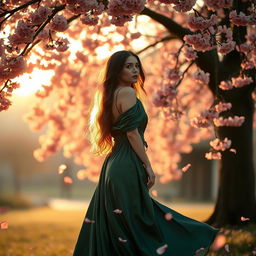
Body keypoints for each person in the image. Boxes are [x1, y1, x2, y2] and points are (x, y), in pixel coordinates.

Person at [72, 50, 220, 256]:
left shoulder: (110, 93)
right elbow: (132, 134)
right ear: (117, 70)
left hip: (114, 164)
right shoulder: (127, 93)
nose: (135, 70)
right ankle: (194, 239)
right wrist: (148, 166)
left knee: (126, 221)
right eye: (128, 66)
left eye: (136, 66)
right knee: (139, 220)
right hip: (126, 162)